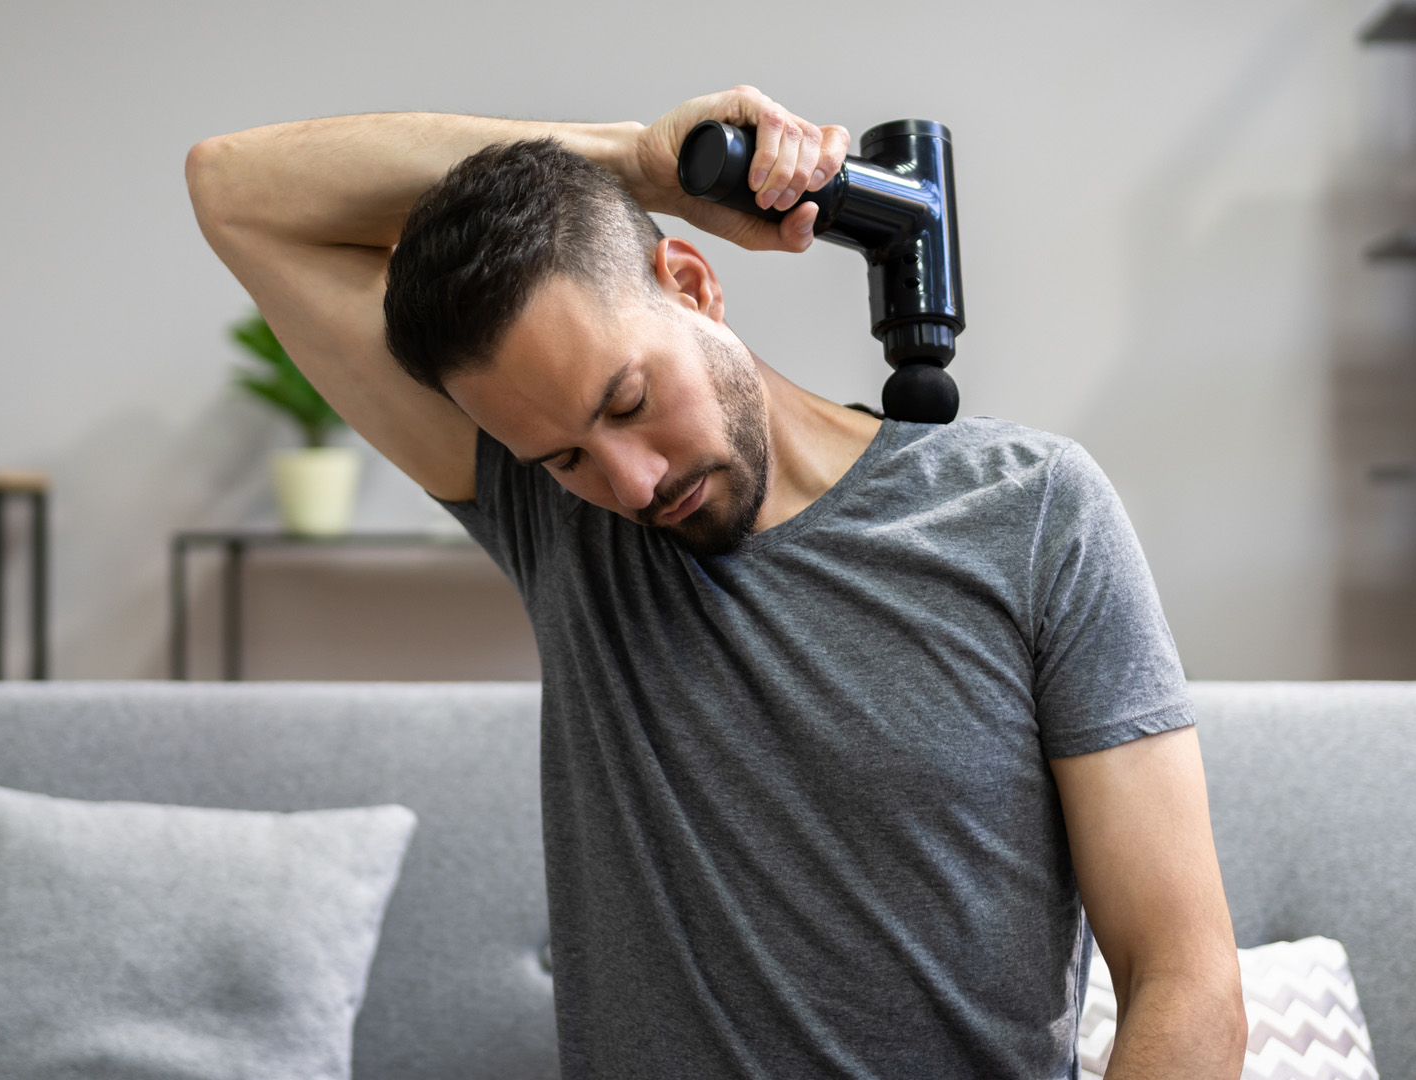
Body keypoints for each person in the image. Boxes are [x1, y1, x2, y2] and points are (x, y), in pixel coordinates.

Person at [187, 85, 1247, 1079]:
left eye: (628, 401)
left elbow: (1185, 979)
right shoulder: (562, 527)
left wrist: (635, 185)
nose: (631, 482)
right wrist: (637, 160)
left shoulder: (1032, 511)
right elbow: (233, 190)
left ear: (692, 283)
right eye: (564, 458)